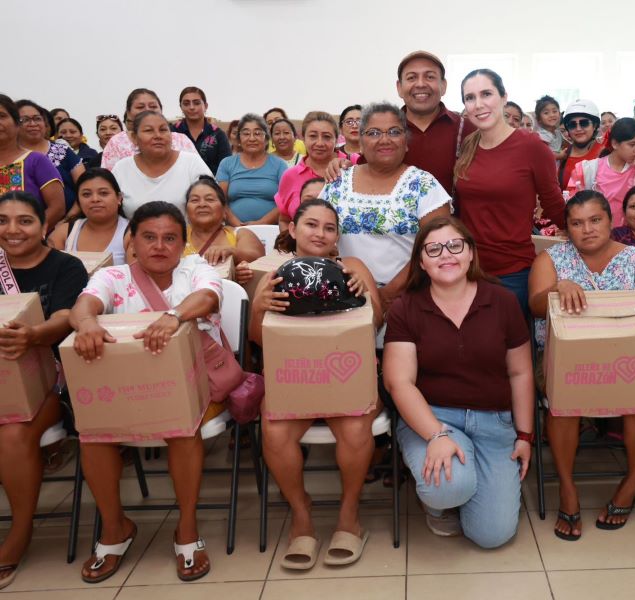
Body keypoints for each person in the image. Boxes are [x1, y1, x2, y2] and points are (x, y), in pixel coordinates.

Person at [69, 201, 225, 583]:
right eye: (149, 237)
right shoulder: (115, 277)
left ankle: (186, 528)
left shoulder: (195, 270)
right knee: (93, 435)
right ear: (132, 240)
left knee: (182, 426)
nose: (159, 246)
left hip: (195, 383)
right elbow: (83, 305)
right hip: (127, 390)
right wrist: (87, 323)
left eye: (170, 238)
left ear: (182, 244)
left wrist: (173, 317)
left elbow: (208, 297)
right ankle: (114, 528)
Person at [383, 216, 533, 548]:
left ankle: (468, 486)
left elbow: (520, 373)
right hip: (433, 417)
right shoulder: (406, 308)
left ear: (470, 253)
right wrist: (435, 435)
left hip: (495, 422)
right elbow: (399, 383)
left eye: (455, 245)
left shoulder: (503, 301)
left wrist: (524, 435)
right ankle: (441, 498)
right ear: (421, 261)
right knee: (446, 487)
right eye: (433, 249)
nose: (445, 255)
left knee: (493, 536)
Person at [250, 198, 382, 568]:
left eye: (329, 227)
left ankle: (348, 515)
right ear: (292, 229)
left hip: (347, 373)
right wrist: (259, 305)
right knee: (275, 432)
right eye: (311, 224)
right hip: (295, 377)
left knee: (357, 429)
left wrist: (365, 295)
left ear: (338, 236)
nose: (320, 233)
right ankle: (301, 513)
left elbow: (376, 323)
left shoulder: (352, 267)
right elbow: (258, 339)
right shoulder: (274, 272)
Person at [528, 191, 635, 538]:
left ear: (611, 221)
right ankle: (567, 487)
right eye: (576, 223)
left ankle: (630, 483)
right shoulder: (554, 260)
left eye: (595, 220)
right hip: (566, 359)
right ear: (567, 229)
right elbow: (534, 305)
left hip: (625, 357)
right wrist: (558, 288)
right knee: (563, 398)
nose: (587, 229)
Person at [0, 191, 88, 590]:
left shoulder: (65, 266)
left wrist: (34, 335)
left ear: (43, 225)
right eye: (3, 221)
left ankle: (17, 534)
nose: (13, 230)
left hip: (53, 380)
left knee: (15, 431)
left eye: (24, 220)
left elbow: (68, 318)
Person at [320, 103, 451, 314]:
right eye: (373, 133)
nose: (384, 139)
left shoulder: (424, 185)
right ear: (360, 142)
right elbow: (316, 236)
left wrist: (387, 295)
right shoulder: (337, 182)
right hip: (345, 299)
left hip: (410, 300)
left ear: (406, 142)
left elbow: (437, 249)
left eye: (394, 132)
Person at [452, 69, 565, 313]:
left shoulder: (531, 146)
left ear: (504, 97)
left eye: (486, 94)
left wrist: (591, 240)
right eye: (470, 98)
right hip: (465, 271)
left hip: (511, 274)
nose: (478, 104)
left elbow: (555, 206)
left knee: (510, 350)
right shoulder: (468, 145)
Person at [393, 50, 476, 195]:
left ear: (443, 86)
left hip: (454, 217)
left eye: (430, 77)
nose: (420, 84)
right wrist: (340, 164)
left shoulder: (469, 130)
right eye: (411, 77)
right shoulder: (383, 133)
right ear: (399, 88)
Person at [111, 111, 212, 217]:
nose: (158, 136)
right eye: (148, 130)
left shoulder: (191, 163)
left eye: (163, 130)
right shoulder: (121, 169)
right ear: (134, 137)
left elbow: (213, 203)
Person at [566, 117, 635, 228]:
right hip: (596, 235)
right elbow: (573, 206)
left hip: (632, 237)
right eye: (632, 144)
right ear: (615, 144)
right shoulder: (587, 169)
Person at [276, 112, 352, 232]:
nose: (320, 143)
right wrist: (290, 246)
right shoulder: (290, 176)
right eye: (313, 136)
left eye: (327, 137)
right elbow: (284, 219)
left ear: (337, 139)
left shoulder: (354, 165)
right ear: (302, 138)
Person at [183, 176, 264, 284]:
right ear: (186, 211)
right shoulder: (176, 237)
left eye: (209, 199)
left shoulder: (240, 234)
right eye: (194, 200)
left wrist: (233, 253)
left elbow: (258, 258)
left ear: (225, 209)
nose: (202, 204)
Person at [0, 95, 65, 230]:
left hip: (24, 244)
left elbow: (57, 207)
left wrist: (30, 232)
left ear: (17, 124)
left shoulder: (35, 160)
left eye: (2, 116)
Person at [215, 113, 287, 225]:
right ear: (239, 139)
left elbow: (285, 201)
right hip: (235, 229)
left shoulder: (279, 165)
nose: (252, 138)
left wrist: (261, 223)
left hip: (270, 229)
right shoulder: (227, 164)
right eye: (246, 133)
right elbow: (220, 200)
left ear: (267, 139)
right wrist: (237, 224)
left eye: (258, 133)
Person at [101, 88, 197, 170]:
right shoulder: (116, 143)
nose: (147, 110)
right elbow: (108, 183)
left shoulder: (182, 140)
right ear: (129, 112)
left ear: (161, 110)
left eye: (153, 106)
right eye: (140, 107)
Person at [48, 168, 129, 264]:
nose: (95, 199)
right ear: (78, 201)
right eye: (86, 194)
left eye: (103, 193)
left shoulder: (132, 233)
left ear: (119, 198)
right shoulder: (64, 233)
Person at [16, 100, 84, 214]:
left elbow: (85, 187)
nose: (33, 124)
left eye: (37, 118)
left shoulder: (63, 151)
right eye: (25, 120)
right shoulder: (8, 156)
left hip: (65, 225)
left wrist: (68, 220)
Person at [171, 86, 231, 175]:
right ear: (181, 107)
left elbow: (226, 168)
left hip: (211, 185)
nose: (191, 107)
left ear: (205, 106)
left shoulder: (218, 135)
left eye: (196, 103)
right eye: (186, 103)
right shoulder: (172, 132)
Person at [558, 99, 603, 188]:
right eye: (572, 124)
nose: (578, 128)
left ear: (594, 125)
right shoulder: (562, 154)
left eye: (584, 123)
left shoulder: (605, 151)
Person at [535, 95, 566, 160]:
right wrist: (560, 156)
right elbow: (542, 154)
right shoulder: (543, 134)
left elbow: (564, 142)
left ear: (559, 114)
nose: (552, 115)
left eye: (554, 111)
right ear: (539, 119)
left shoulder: (557, 132)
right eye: (546, 113)